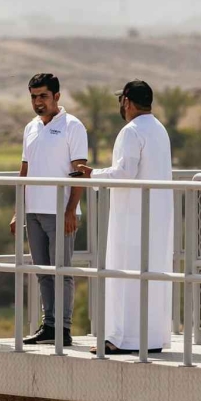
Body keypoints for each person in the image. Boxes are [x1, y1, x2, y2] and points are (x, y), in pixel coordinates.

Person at [76, 80, 173, 354]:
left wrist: (92, 174)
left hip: (132, 218)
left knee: (124, 274)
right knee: (151, 275)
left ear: (127, 102)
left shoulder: (131, 132)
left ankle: (120, 339)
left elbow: (125, 173)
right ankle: (150, 338)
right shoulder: (159, 129)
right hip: (157, 216)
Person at [10, 72, 88, 346]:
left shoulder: (73, 126)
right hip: (33, 211)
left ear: (56, 96)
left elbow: (80, 172)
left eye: (43, 96)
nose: (38, 102)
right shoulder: (31, 127)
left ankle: (63, 329)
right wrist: (19, 210)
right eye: (33, 97)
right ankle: (49, 325)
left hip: (60, 212)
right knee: (42, 271)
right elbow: (25, 169)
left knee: (61, 271)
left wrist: (70, 210)